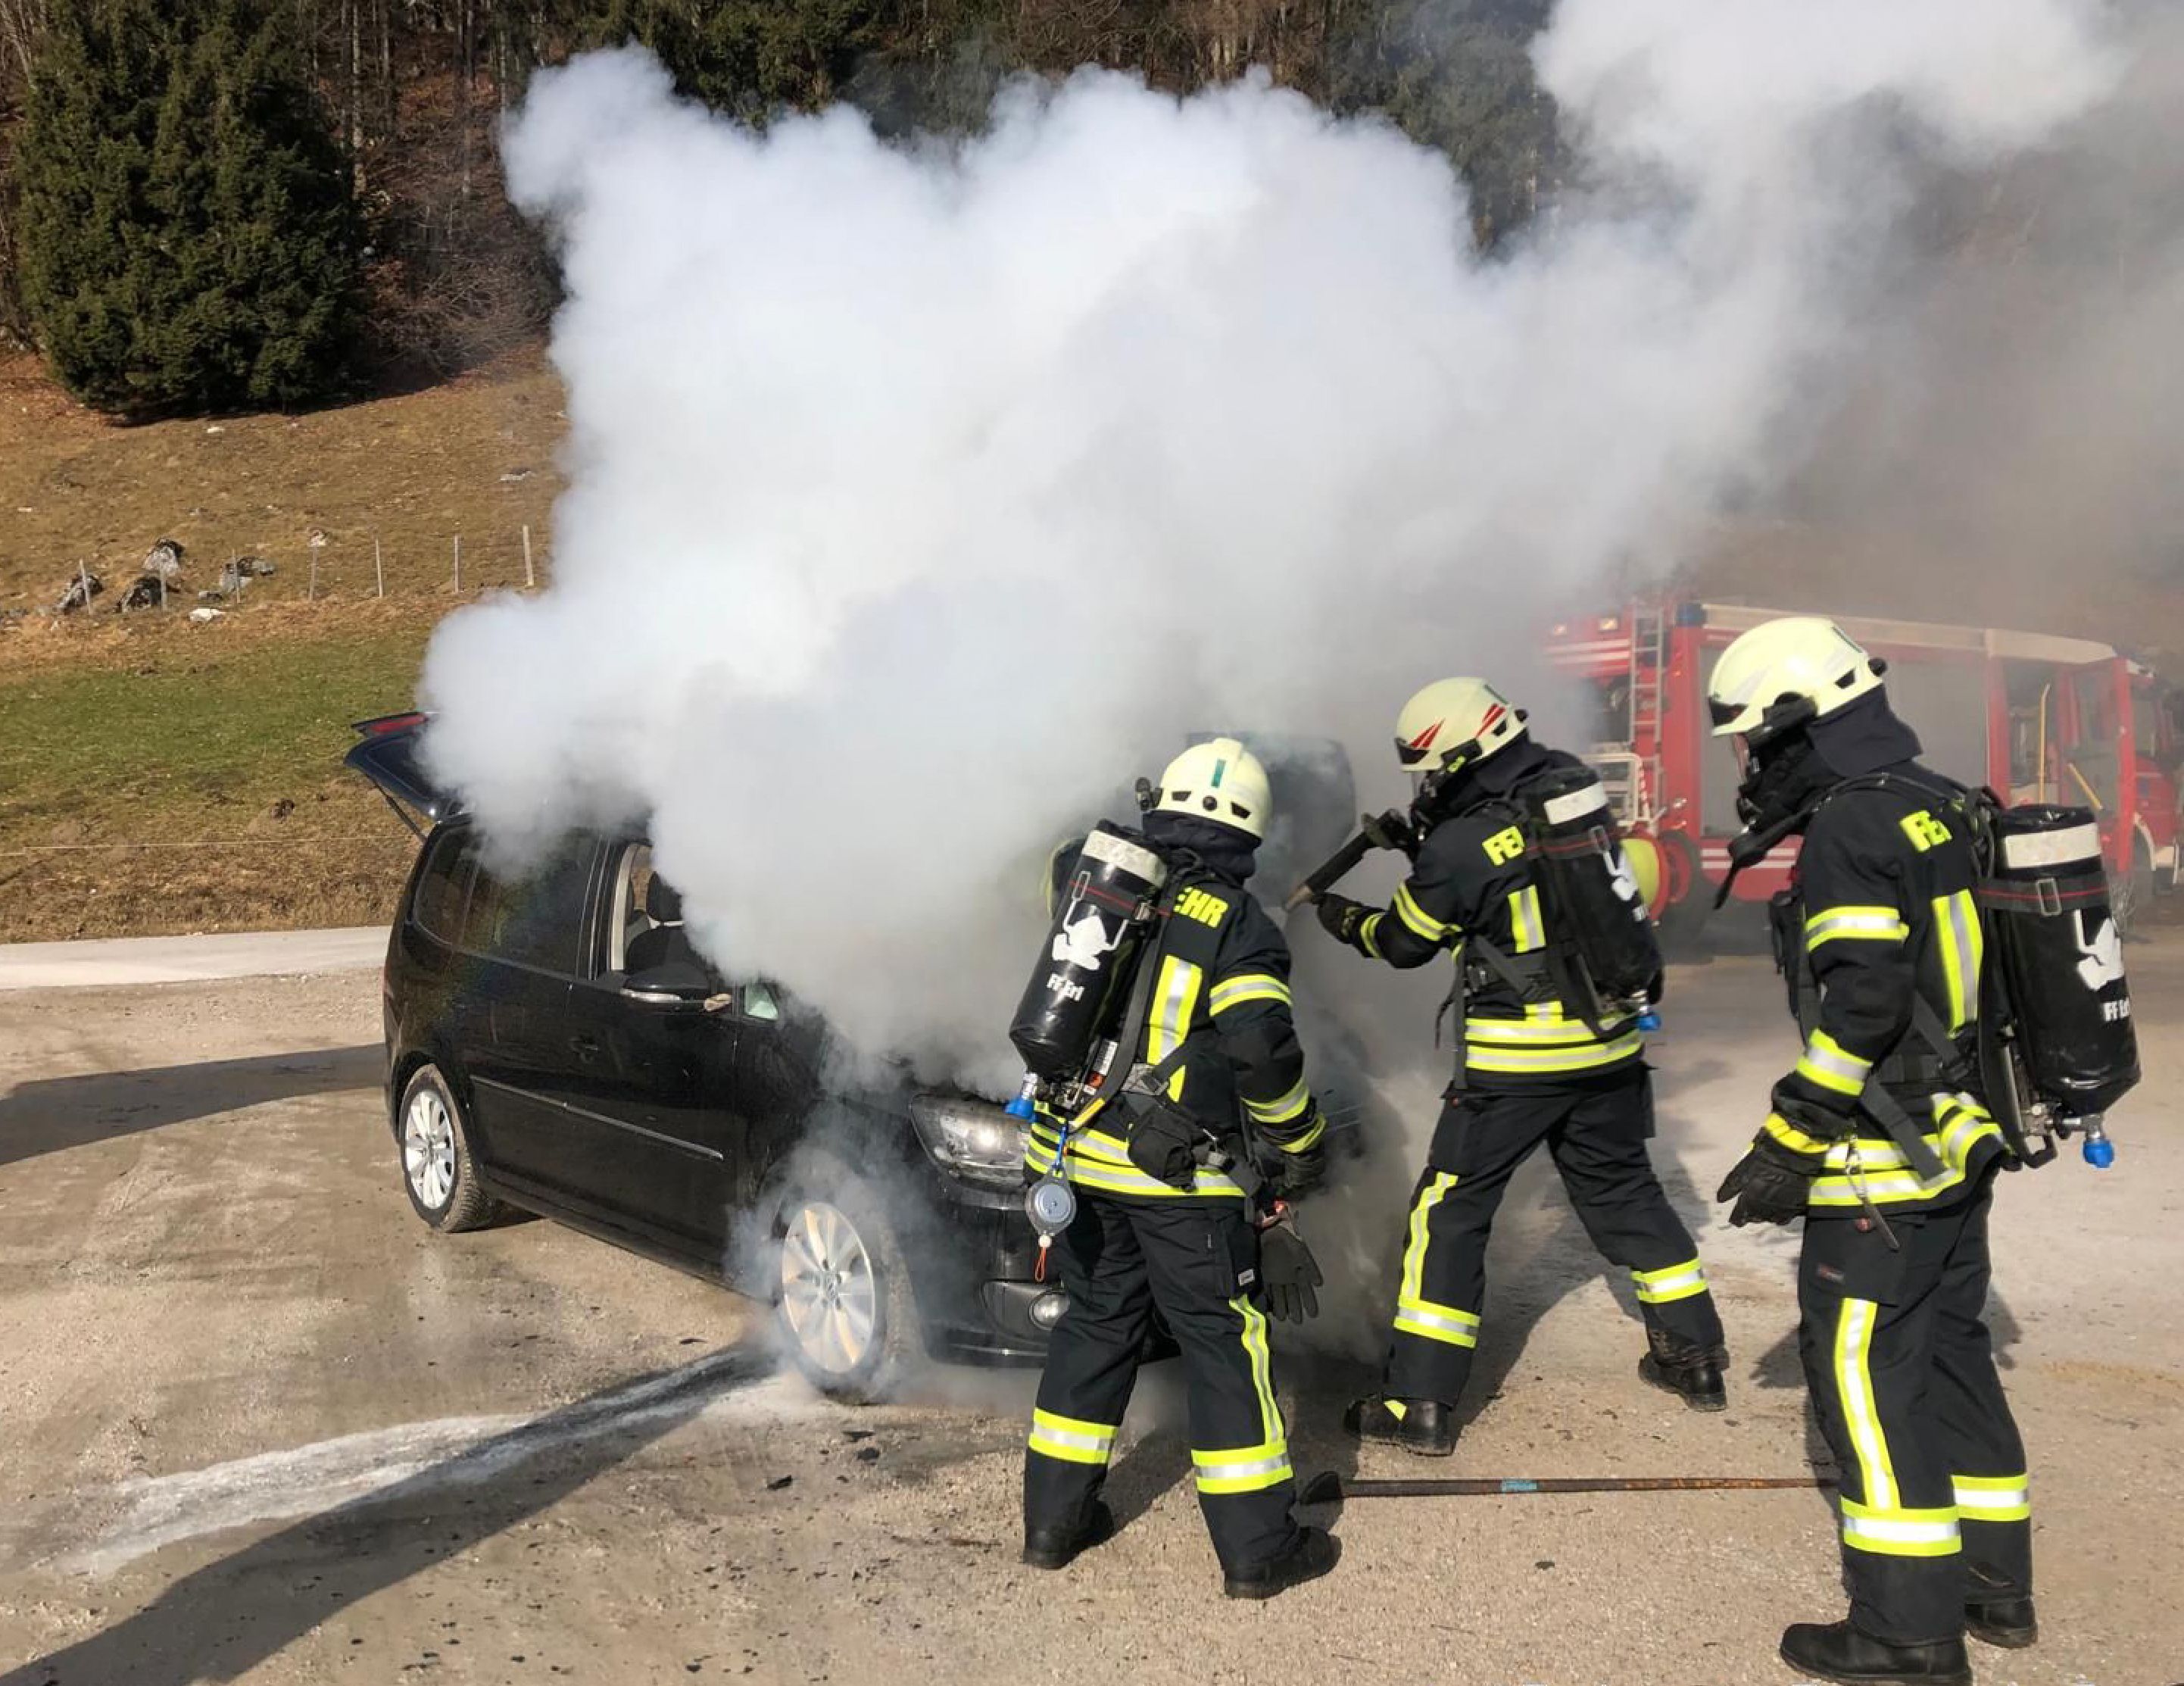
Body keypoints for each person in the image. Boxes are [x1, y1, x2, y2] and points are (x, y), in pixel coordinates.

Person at [1707, 617, 2032, 1686]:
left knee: (1858, 1371)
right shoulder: (1938, 801)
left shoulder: (1851, 826)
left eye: (1758, 741)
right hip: (1962, 1138)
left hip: (1884, 1164)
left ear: (1799, 724)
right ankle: (1994, 1585)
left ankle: (1904, 1629)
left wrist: (1789, 1140)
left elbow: (1867, 1000)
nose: (1754, 766)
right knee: (1950, 1353)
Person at [1313, 678, 1727, 1457]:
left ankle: (1420, 1405)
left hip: (1517, 1061)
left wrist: (1344, 920)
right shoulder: (1569, 790)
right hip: (1608, 1044)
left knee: (1450, 1213)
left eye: (1431, 770)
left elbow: (1405, 942)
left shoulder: (1461, 843)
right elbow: (1527, 879)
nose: (1427, 785)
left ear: (1462, 756)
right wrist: (1432, 843)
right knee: (1626, 1193)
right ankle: (1695, 1354)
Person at [1020, 737, 1340, 1599]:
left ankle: (1053, 1525)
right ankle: (1258, 1549)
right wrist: (1299, 1144)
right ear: (1249, 834)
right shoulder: (1236, 923)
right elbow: (1262, 1055)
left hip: (1080, 1158)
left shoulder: (1094, 883)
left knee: (1094, 1329)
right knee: (1225, 1347)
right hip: (1179, 1185)